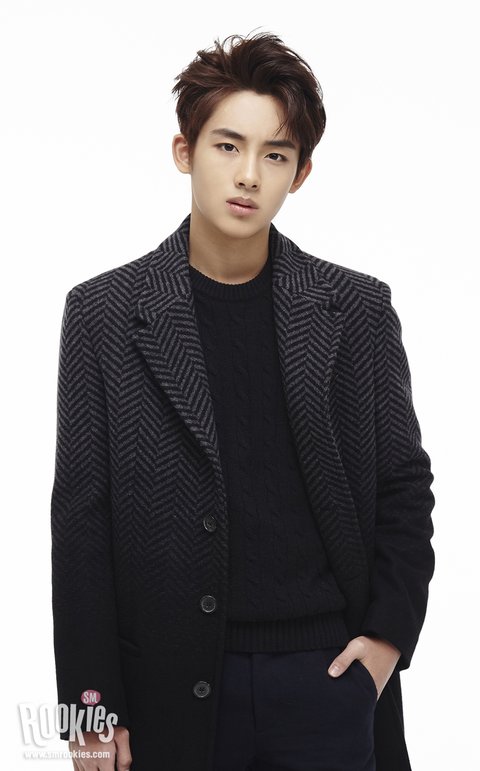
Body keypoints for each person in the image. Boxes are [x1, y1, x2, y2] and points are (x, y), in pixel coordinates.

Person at [50, 30, 435, 771]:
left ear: (301, 173)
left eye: (276, 155)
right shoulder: (103, 313)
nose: (249, 175)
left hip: (327, 679)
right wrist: (86, 708)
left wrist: (387, 641)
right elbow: (80, 523)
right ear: (184, 151)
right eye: (227, 146)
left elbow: (403, 486)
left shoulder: (357, 308)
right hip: (169, 687)